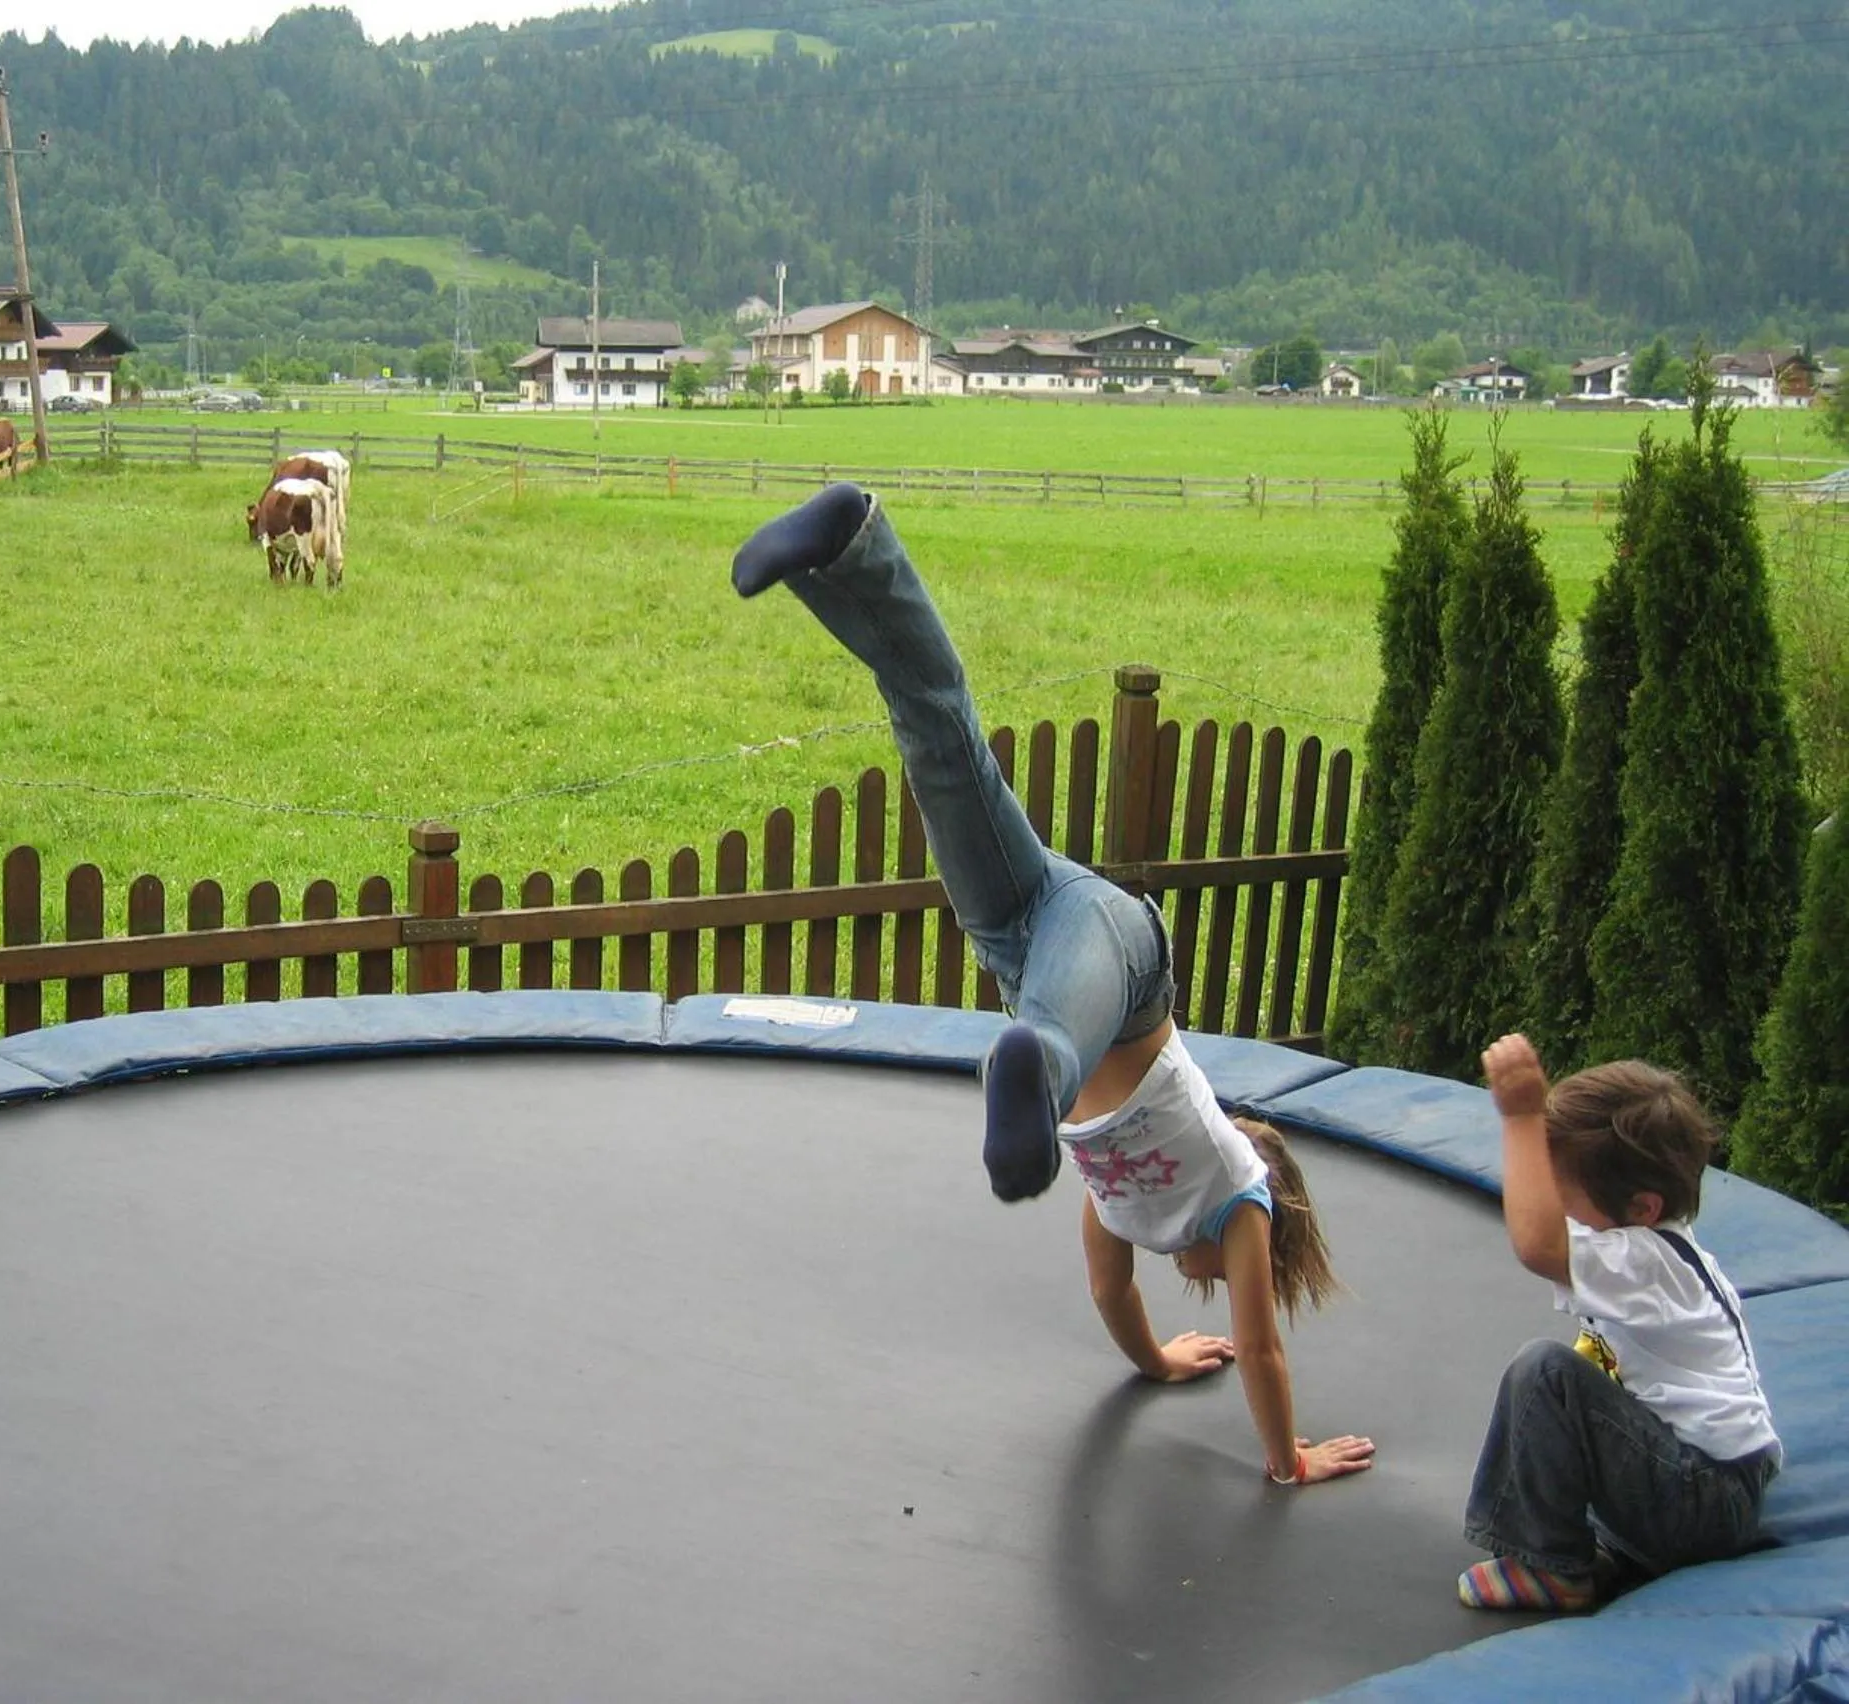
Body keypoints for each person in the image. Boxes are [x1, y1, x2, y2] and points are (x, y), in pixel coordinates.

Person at [732, 482, 1373, 1488]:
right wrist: (1287, 1460)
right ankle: (1028, 1066)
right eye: (1210, 1290)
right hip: (1121, 962)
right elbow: (1264, 1347)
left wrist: (1156, 1359)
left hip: (1019, 935)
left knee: (937, 738)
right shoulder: (1237, 1203)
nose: (1199, 1289)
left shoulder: (1126, 1206)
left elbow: (1110, 1293)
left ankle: (851, 545)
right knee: (1048, 1043)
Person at [1461, 1034, 1782, 1611]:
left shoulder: (1644, 1261)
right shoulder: (1670, 1251)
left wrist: (1522, 1118)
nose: (1557, 1208)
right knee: (1579, 1372)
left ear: (1642, 1209)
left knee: (1546, 1373)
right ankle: (1614, 1539)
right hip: (1723, 1484)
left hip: (1704, 1502)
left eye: (1565, 1192)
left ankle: (1554, 1566)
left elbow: (1535, 1245)